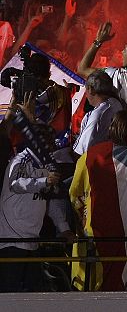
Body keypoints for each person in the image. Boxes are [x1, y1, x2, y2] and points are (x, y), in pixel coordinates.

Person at [69, 110, 127, 291]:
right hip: (125, 242)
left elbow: (74, 196)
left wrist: (83, 223)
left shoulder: (88, 157)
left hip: (91, 238)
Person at [0, 96, 72, 292]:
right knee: (9, 294)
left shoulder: (46, 165)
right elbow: (16, 184)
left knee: (34, 295)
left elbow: (50, 200)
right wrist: (43, 181)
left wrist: (64, 228)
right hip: (12, 240)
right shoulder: (21, 161)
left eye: (50, 140)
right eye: (45, 140)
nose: (49, 145)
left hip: (32, 241)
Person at [73, 70, 124, 158]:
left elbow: (81, 152)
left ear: (90, 89)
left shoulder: (97, 115)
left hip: (96, 165)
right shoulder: (116, 103)